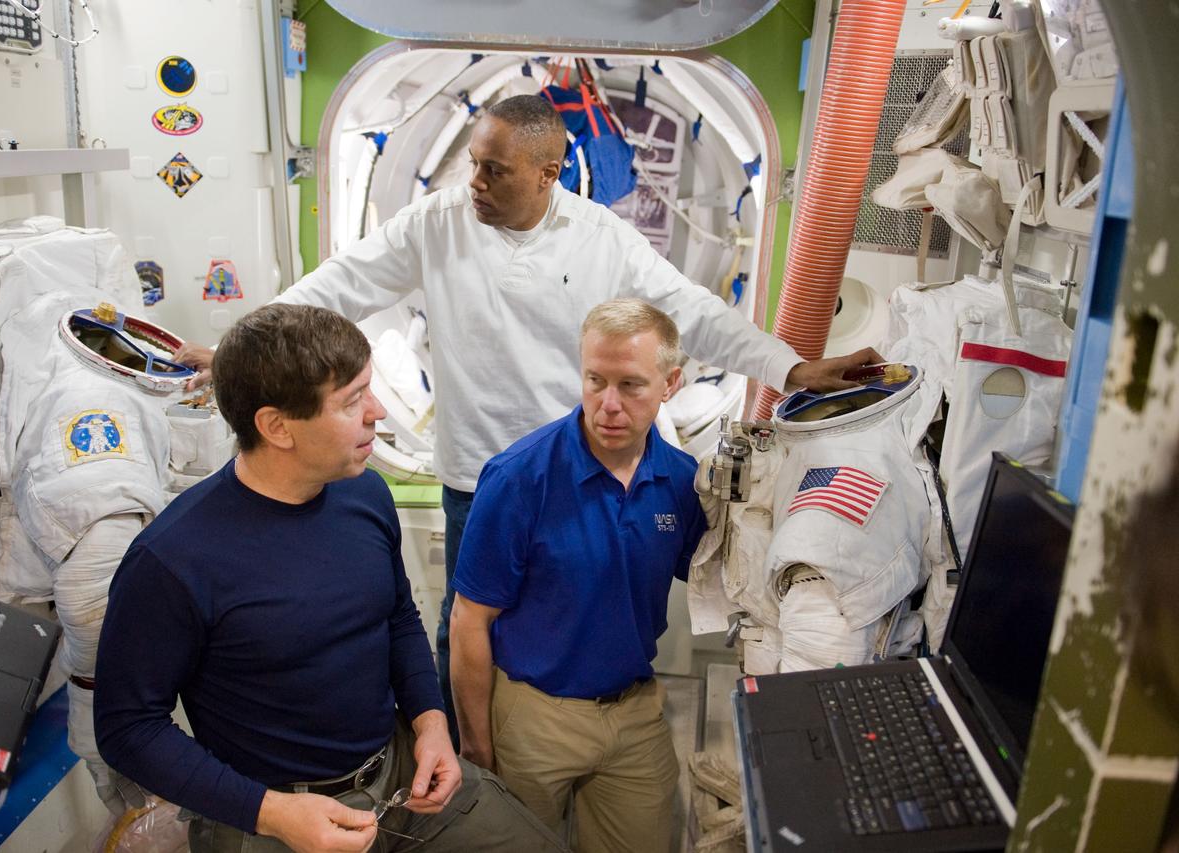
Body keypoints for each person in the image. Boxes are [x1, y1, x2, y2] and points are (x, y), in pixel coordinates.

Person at [175, 94, 881, 741]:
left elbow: (693, 314)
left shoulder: (601, 238)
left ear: (548, 174)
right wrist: (243, 349)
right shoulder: (436, 223)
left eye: (494, 170)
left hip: (568, 478)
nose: (475, 182)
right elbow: (334, 287)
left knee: (573, 625)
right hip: (473, 478)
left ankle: (574, 738)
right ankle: (460, 755)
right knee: (466, 626)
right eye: (473, 164)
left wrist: (789, 369)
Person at [95, 303, 567, 853]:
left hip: (401, 775)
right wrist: (271, 813)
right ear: (276, 426)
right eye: (352, 401)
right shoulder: (172, 560)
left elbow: (396, 617)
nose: (379, 411)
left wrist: (431, 724)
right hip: (272, 814)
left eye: (369, 389)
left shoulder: (364, 493)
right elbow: (128, 728)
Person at [449, 299, 706, 853]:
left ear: (671, 383)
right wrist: (476, 747)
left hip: (634, 711)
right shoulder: (519, 480)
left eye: (631, 385)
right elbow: (468, 620)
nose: (607, 406)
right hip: (535, 714)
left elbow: (719, 582)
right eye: (595, 381)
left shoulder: (683, 484)